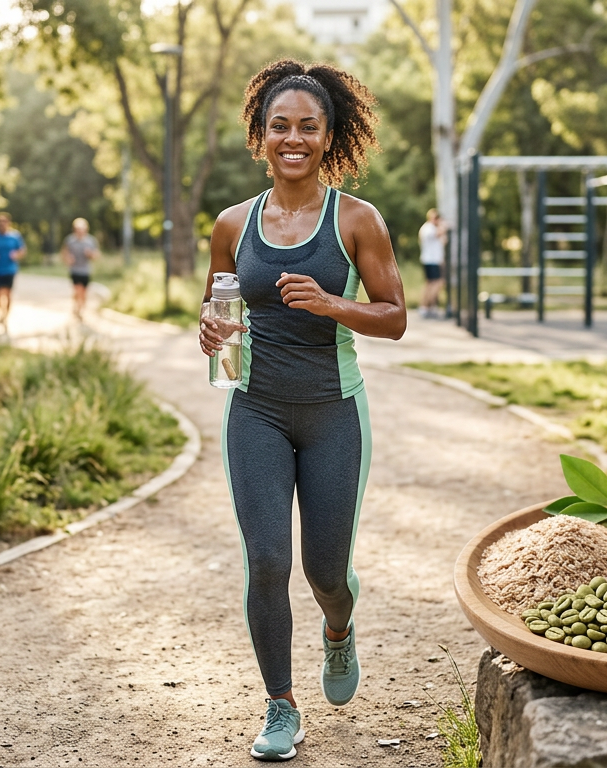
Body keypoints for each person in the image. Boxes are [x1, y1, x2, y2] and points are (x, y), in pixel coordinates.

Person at [198, 59, 405, 762]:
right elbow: (217, 304)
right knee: (265, 559)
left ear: (328, 135)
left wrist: (333, 304)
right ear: (260, 134)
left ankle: (339, 630)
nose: (293, 137)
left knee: (325, 575)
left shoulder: (357, 221)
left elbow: (396, 316)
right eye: (279, 125)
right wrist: (209, 330)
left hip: (333, 415)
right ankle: (280, 705)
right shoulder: (232, 223)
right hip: (254, 409)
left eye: (307, 127)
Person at [0, 212, 25, 332]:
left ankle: (5, 316)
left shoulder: (15, 236)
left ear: (8, 223)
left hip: (10, 269)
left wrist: (16, 255)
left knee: (8, 294)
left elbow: (22, 250)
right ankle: (0, 312)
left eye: (4, 222)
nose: (1, 225)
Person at [60, 217, 101, 320]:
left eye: (82, 229)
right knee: (77, 290)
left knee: (83, 292)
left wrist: (90, 254)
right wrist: (68, 259)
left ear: (86, 229)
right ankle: (78, 309)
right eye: (78, 229)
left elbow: (97, 255)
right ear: (74, 229)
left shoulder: (91, 241)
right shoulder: (70, 240)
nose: (80, 231)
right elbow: (64, 253)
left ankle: (81, 308)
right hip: (75, 270)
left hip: (86, 270)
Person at [418, 208, 446, 318]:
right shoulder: (428, 228)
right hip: (431, 260)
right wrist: (443, 226)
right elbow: (440, 234)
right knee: (436, 284)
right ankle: (426, 306)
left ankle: (429, 307)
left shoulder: (432, 228)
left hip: (433, 260)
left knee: (430, 284)